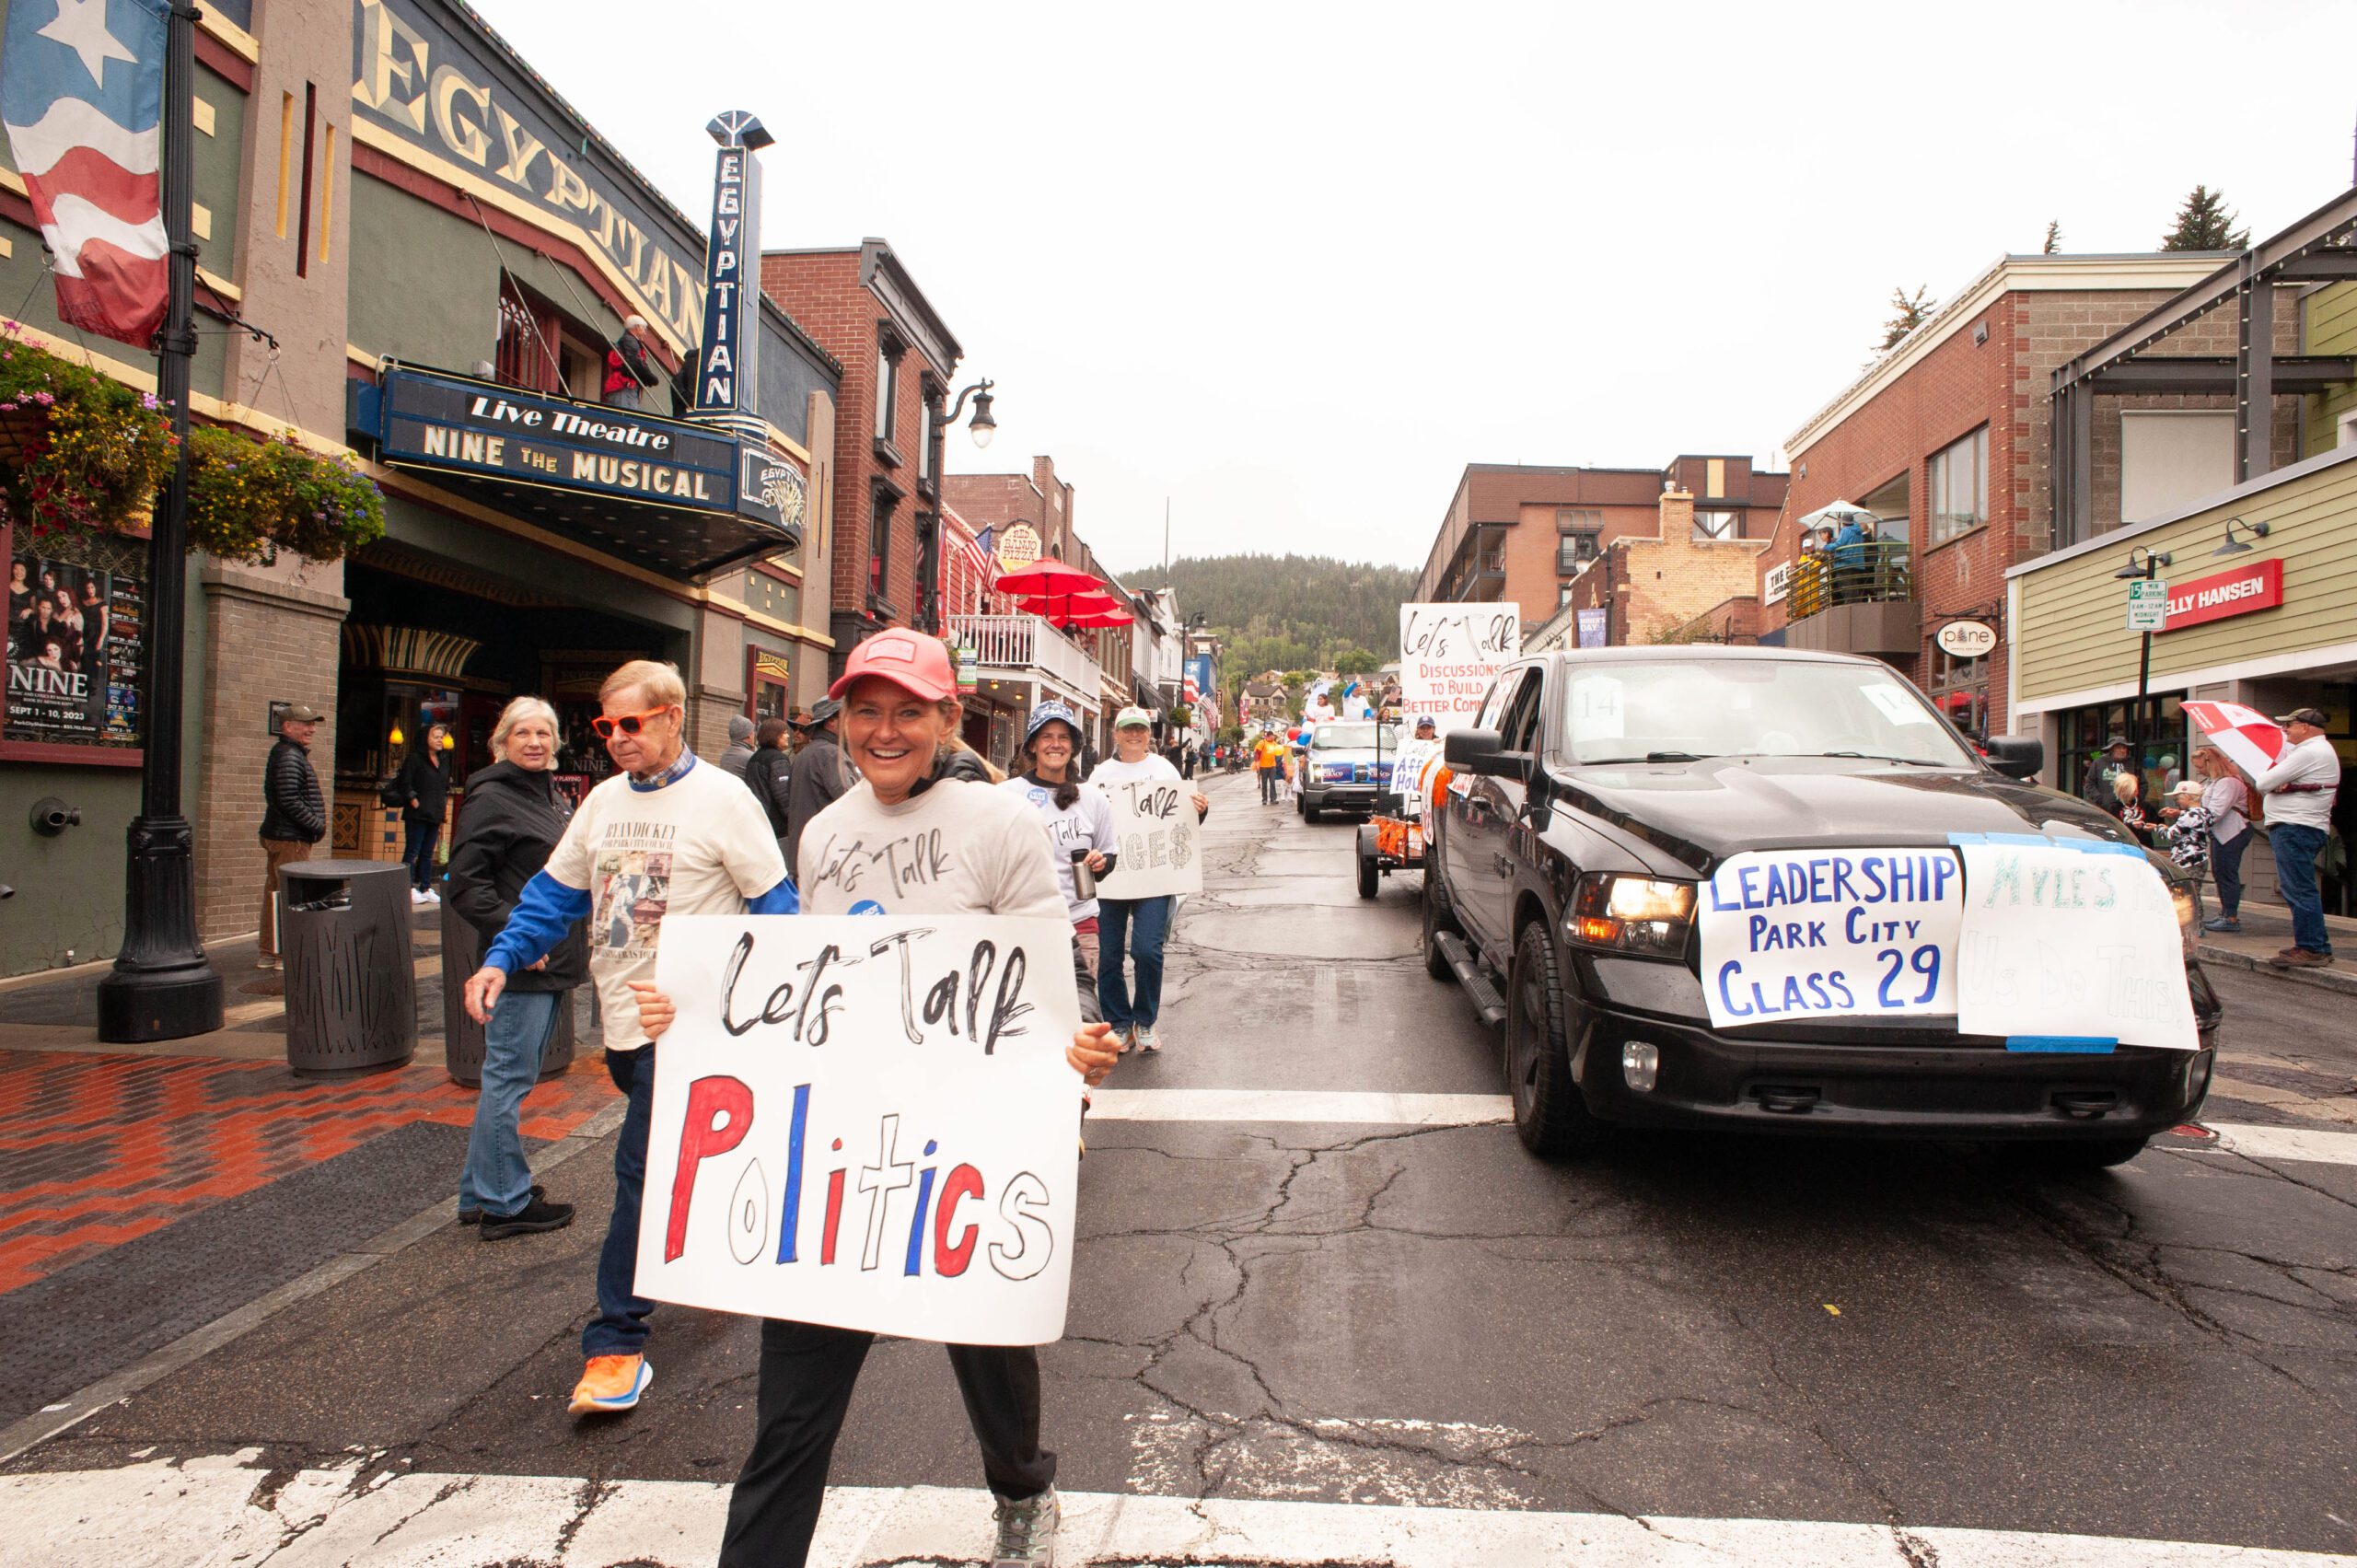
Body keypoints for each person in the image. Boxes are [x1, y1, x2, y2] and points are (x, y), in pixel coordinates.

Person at [709, 629, 1120, 1568]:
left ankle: (1020, 1485)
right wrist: (690, 1008)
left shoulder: (1002, 823)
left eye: (907, 710)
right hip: (841, 1148)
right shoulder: (823, 832)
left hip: (968, 1137)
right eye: (866, 708)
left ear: (946, 717)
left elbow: (1047, 977)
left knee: (987, 1346)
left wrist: (1076, 1055)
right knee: (790, 1413)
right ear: (842, 717)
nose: (883, 729)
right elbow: (802, 990)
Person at [460, 658, 795, 1418]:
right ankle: (718, 1249)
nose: (614, 738)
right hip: (622, 1025)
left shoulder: (723, 798)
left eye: (631, 723)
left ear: (674, 717)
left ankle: (616, 1342)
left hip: (692, 1027)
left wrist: (760, 1004)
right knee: (686, 1159)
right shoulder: (603, 803)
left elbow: (777, 906)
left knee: (637, 1173)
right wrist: (501, 958)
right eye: (606, 726)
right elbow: (553, 894)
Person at [445, 696, 585, 1240]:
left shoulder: (548, 795)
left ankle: (478, 1193)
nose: (535, 742)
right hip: (523, 961)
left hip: (553, 956)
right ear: (501, 742)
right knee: (507, 1080)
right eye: (523, 733)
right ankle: (505, 1202)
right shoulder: (492, 797)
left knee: (508, 1079)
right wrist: (517, 936)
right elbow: (465, 883)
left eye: (544, 733)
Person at [1091, 707, 1210, 1054]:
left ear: (1149, 734)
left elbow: (1181, 823)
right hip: (1111, 876)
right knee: (1109, 955)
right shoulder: (1101, 774)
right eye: (1127, 729)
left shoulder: (1164, 769)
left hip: (1154, 876)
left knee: (1147, 950)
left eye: (1140, 729)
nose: (1133, 735)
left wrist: (1200, 810)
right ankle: (1118, 1023)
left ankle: (1144, 1020)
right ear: (1115, 734)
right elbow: (1088, 820)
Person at [1004, 700, 1119, 978]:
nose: (1055, 744)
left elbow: (1109, 856)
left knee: (1081, 1014)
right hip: (1022, 925)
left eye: (1063, 737)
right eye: (1047, 736)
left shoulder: (1094, 798)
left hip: (1080, 924)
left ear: (1073, 746)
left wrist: (1101, 862)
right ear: (1032, 745)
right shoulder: (1007, 794)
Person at [2249, 706, 2341, 969]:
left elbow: (2264, 782)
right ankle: (2315, 944)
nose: (2285, 729)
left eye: (2290, 724)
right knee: (2299, 886)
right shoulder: (2316, 752)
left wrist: (2278, 782)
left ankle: (2311, 947)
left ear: (2305, 727)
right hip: (2301, 826)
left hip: (2296, 826)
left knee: (2298, 888)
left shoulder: (2310, 752)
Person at [257, 705, 327, 970]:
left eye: (313, 723)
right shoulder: (289, 755)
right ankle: (284, 954)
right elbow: (288, 800)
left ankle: (269, 952)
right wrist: (316, 825)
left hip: (282, 835)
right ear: (288, 726)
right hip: (291, 838)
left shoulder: (287, 753)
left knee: (275, 893)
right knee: (289, 896)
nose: (311, 729)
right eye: (305, 724)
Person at [2174, 747, 2251, 934]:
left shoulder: (2228, 783)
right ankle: (2226, 913)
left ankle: (2230, 917)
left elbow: (2214, 812)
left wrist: (2187, 819)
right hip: (2222, 833)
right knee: (2221, 873)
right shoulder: (2215, 782)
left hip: (2232, 832)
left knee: (2227, 873)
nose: (2198, 770)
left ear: (2210, 763)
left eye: (2199, 766)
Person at [784, 697, 854, 875]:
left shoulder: (806, 754)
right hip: (826, 862)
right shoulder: (831, 755)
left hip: (807, 859)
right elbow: (855, 805)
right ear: (831, 721)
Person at [397, 722, 453, 905]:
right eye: (435, 737)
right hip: (417, 814)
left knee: (428, 853)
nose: (439, 740)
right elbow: (405, 783)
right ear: (425, 738)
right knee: (413, 851)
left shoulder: (444, 760)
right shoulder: (415, 758)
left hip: (434, 813)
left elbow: (444, 786)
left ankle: (426, 887)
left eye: (440, 737)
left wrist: (442, 809)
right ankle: (407, 887)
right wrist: (414, 800)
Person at [742, 716, 795, 856]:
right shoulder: (778, 759)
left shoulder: (754, 758)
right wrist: (793, 822)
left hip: (759, 823)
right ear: (775, 735)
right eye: (784, 732)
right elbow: (784, 797)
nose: (788, 735)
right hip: (777, 828)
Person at [603, 314, 661, 408]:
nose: (645, 333)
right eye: (644, 328)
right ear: (637, 327)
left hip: (619, 386)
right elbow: (634, 363)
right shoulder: (631, 341)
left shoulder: (626, 340)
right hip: (624, 387)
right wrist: (650, 378)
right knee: (625, 417)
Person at [2163, 780, 2213, 884]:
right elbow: (2194, 818)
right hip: (2199, 858)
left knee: (2186, 895)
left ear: (2188, 797)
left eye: (2177, 798)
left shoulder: (2189, 816)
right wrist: (2179, 813)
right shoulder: (2205, 813)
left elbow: (2170, 834)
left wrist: (2157, 828)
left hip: (2187, 861)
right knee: (2194, 893)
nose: (2176, 801)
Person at [2081, 734, 2135, 810]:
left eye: (2124, 748)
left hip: (2127, 809)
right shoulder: (2099, 763)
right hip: (2103, 809)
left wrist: (2134, 799)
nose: (2122, 750)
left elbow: (2143, 785)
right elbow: (2089, 784)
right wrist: (2101, 799)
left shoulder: (2132, 763)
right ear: (2111, 749)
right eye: (2118, 748)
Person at [2112, 769, 2153, 844]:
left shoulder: (2146, 806)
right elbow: (2114, 828)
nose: (2136, 791)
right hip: (2122, 844)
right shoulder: (2113, 807)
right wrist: (2131, 824)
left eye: (2136, 788)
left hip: (2144, 844)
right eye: (2133, 789)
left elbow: (2154, 823)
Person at [714, 713, 758, 779]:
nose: (754, 736)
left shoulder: (725, 755)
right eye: (753, 733)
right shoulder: (750, 757)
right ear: (749, 735)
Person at [1253, 731, 1283, 805]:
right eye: (1273, 736)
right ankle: (1264, 799)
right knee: (1264, 783)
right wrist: (1257, 762)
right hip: (1263, 766)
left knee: (1272, 782)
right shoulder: (1262, 743)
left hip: (1272, 766)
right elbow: (1257, 753)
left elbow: (1279, 751)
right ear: (1269, 736)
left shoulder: (1274, 743)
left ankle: (1273, 799)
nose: (1274, 737)